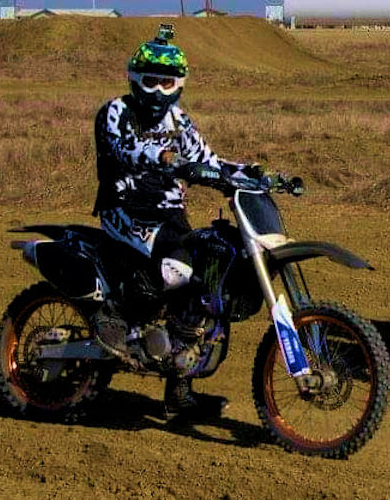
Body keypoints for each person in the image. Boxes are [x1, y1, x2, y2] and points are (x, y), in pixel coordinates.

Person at [91, 24, 262, 421]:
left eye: (167, 83)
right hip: (125, 208)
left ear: (179, 84)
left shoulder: (179, 120)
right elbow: (125, 148)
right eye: (150, 81)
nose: (158, 91)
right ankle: (113, 316)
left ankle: (179, 390)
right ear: (135, 79)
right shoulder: (115, 111)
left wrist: (250, 173)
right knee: (173, 271)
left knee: (204, 284)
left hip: (169, 215)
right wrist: (165, 159)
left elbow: (208, 159)